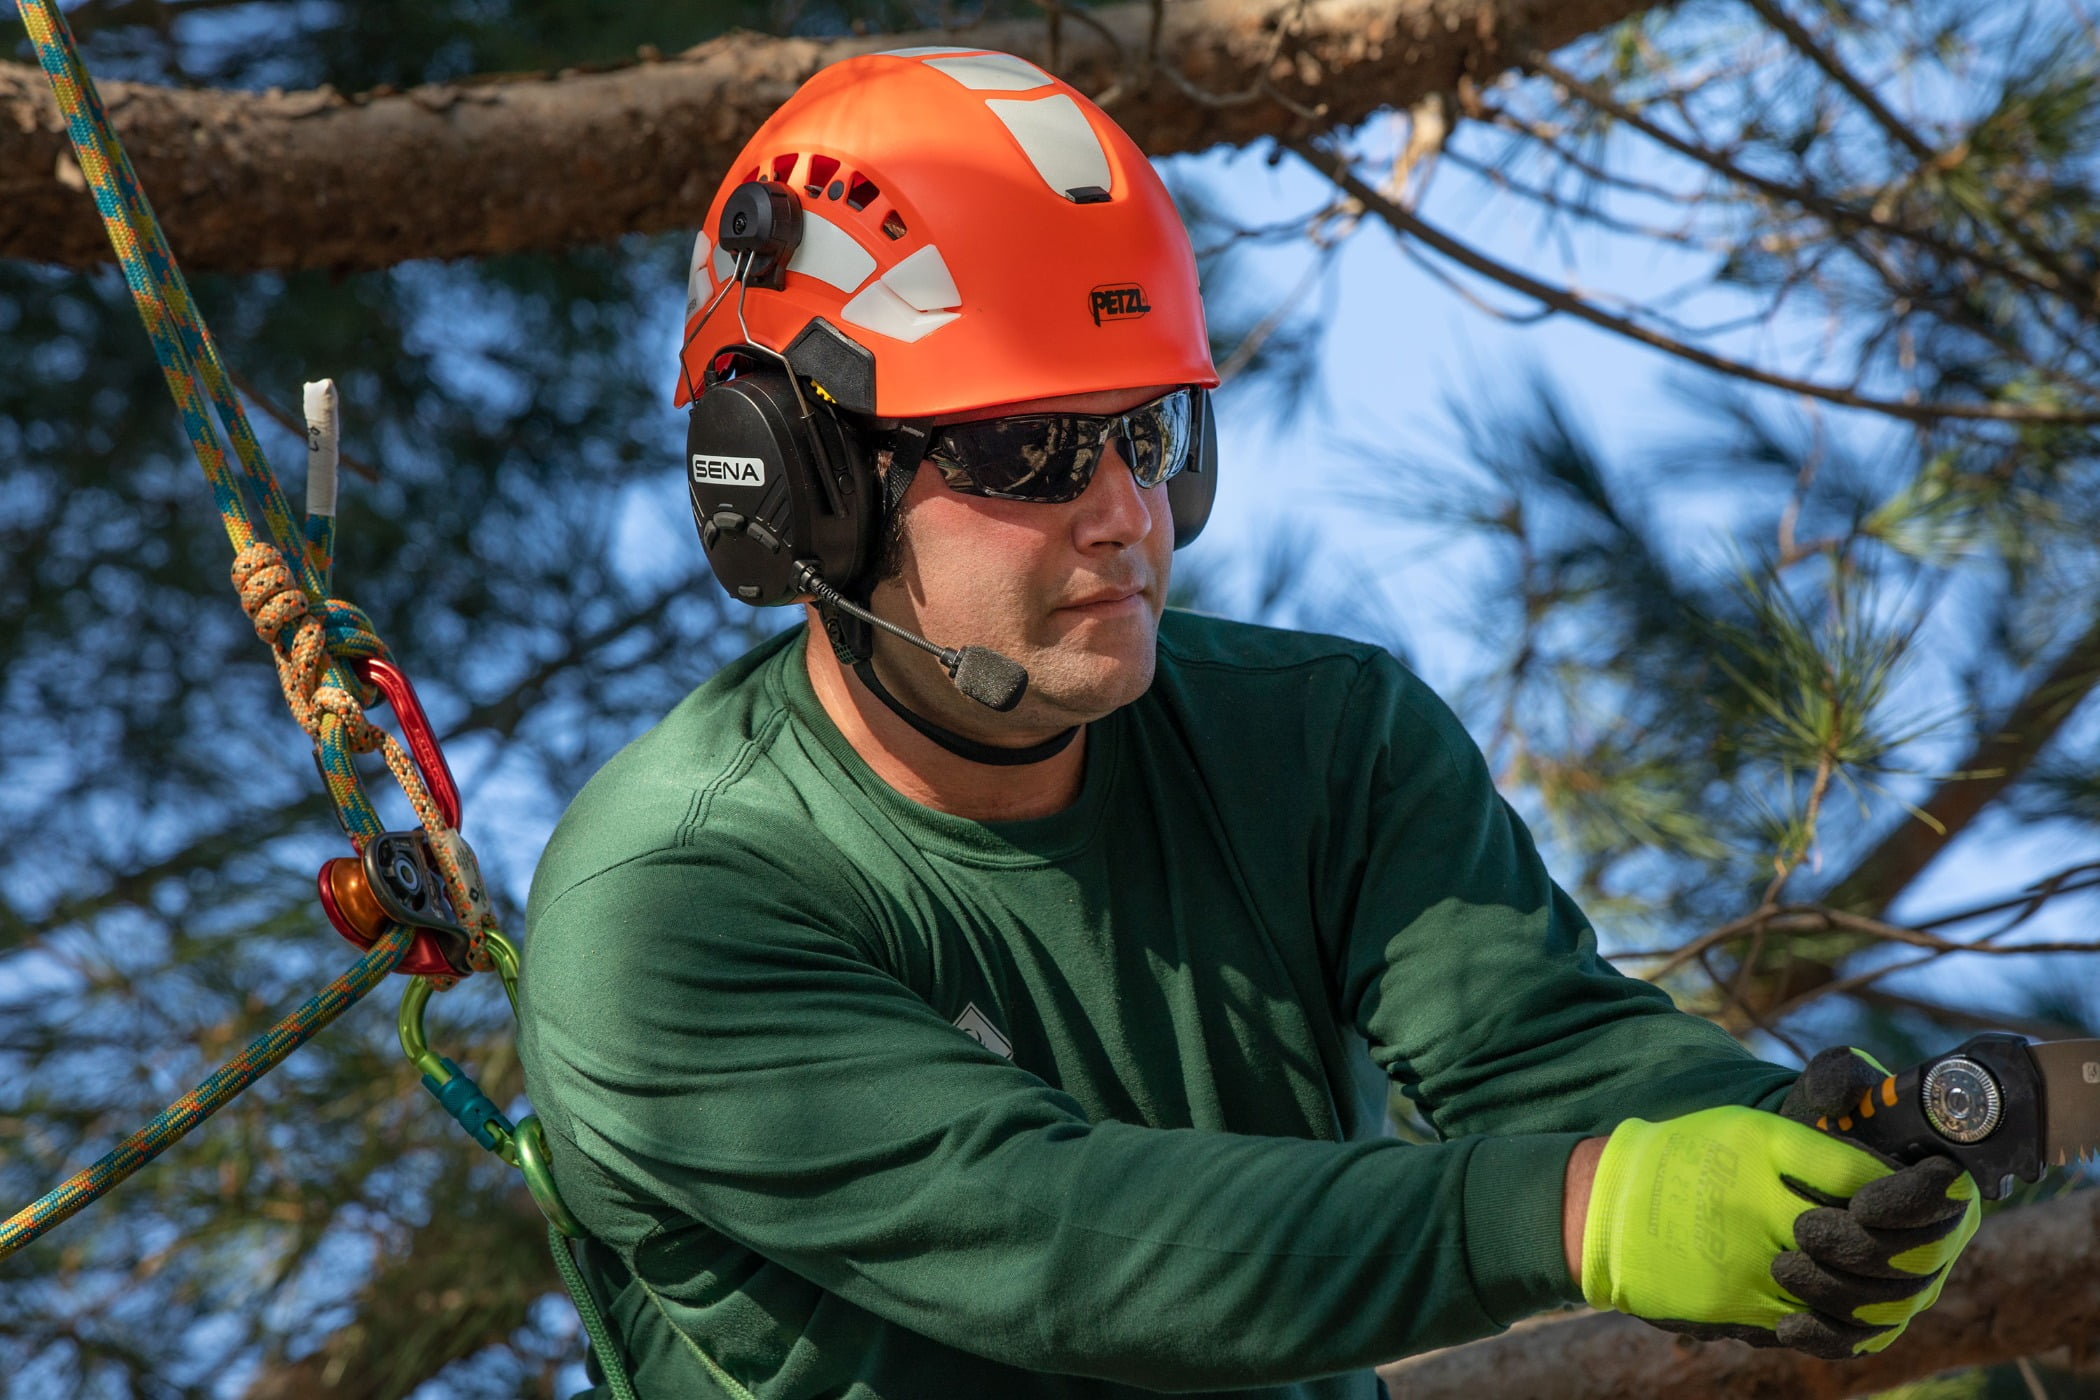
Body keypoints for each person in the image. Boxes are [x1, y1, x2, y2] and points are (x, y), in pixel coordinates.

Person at [518, 48, 1979, 1399]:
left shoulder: (1326, 744)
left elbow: (1552, 1054)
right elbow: (1072, 1242)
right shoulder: (669, 909)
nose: (1124, 517)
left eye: (1147, 433)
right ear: (796, 485)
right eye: (1023, 448)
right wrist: (1580, 1208)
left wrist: (1811, 1160)